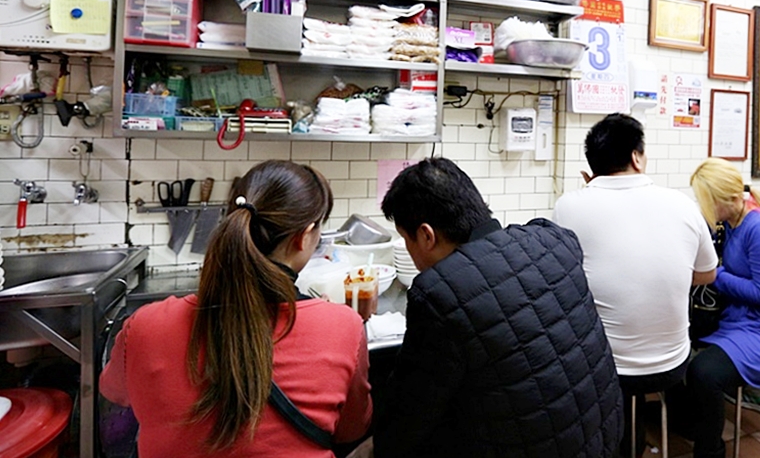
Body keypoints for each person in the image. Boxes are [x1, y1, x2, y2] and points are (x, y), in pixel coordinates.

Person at [101, 161, 372, 457]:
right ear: (305, 236)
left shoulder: (144, 325)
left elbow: (116, 393)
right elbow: (353, 430)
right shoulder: (343, 325)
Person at [376, 157, 623, 458]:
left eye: (406, 239)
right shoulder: (554, 239)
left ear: (426, 235)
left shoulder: (440, 292)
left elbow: (408, 416)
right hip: (603, 438)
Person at [552, 113, 717, 456]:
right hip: (673, 363)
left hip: (605, 369)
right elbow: (707, 274)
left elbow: (566, 275)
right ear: (636, 156)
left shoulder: (569, 206)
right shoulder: (682, 204)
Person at [686, 158, 760, 458]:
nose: (704, 208)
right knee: (680, 347)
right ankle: (691, 424)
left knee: (703, 372)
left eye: (706, 202)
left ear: (727, 199)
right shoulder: (732, 220)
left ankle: (710, 449)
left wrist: (716, 274)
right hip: (742, 321)